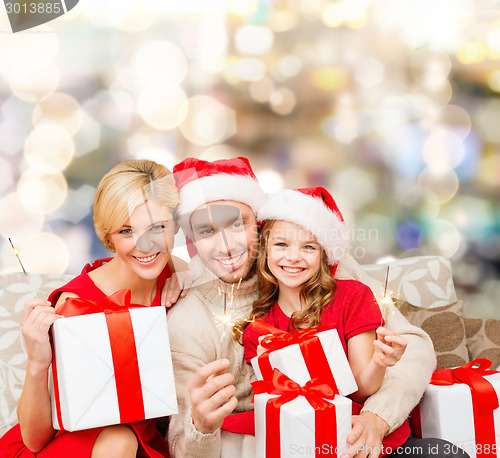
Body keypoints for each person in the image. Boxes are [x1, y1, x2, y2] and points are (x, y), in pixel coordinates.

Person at [167, 157, 465, 458]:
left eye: (236, 223)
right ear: (192, 239)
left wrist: (378, 418)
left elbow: (414, 347)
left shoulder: (326, 270)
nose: (226, 245)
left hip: (362, 435)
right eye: (206, 231)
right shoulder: (188, 321)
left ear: (259, 223)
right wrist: (201, 427)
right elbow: (181, 445)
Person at [0, 159, 186, 458]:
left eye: (157, 227)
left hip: (142, 443)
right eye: (126, 231)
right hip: (69, 446)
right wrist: (37, 363)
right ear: (108, 236)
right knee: (119, 439)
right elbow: (35, 440)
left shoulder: (174, 272)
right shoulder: (76, 305)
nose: (146, 245)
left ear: (175, 224)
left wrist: (188, 275)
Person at [238, 186, 409, 453]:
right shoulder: (258, 331)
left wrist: (379, 362)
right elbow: (283, 412)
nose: (293, 257)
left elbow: (362, 389)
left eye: (308, 246)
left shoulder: (353, 297)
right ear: (265, 251)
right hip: (305, 443)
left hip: (359, 435)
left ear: (323, 254)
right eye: (281, 244)